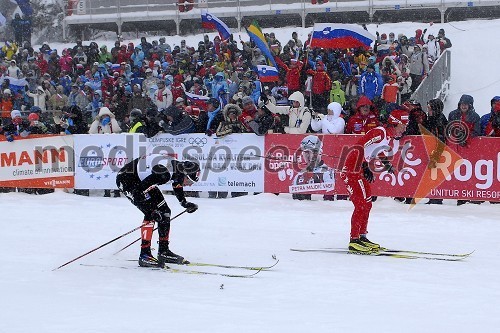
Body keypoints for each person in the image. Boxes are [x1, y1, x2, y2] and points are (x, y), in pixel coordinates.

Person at [340, 108, 409, 253]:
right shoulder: (379, 132)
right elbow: (360, 144)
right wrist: (363, 165)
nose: (405, 128)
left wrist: (386, 163)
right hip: (352, 170)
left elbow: (376, 150)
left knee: (367, 203)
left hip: (358, 169)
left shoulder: (387, 137)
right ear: (395, 123)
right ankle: (354, 240)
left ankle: (362, 236)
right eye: (403, 125)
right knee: (361, 204)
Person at [116, 154, 200, 267]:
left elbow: (177, 184)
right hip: (127, 180)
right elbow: (138, 192)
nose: (189, 185)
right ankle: (144, 255)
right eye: (189, 181)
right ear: (184, 175)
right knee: (150, 214)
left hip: (142, 181)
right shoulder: (164, 174)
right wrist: (151, 211)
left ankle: (163, 251)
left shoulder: (177, 169)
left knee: (165, 212)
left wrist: (183, 202)